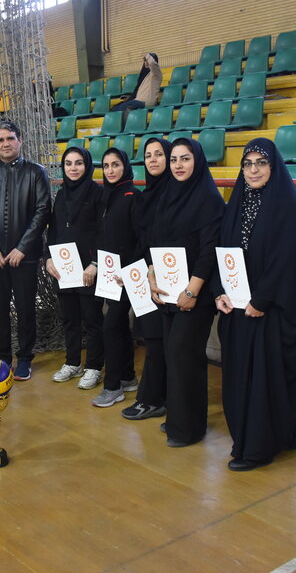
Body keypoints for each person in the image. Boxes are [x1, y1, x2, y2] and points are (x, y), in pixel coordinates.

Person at [214, 138, 296, 471]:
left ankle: (259, 447)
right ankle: (243, 440)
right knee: (239, 378)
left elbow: (287, 261)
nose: (253, 170)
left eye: (261, 163)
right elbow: (223, 253)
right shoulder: (237, 203)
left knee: (262, 382)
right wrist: (219, 292)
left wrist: (261, 300)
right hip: (237, 309)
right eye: (247, 164)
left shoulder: (287, 207)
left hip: (268, 312)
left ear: (273, 166)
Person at [147, 138, 225, 447]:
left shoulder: (209, 199)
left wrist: (191, 292)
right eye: (174, 159)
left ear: (198, 161)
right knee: (173, 354)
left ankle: (189, 428)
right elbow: (155, 240)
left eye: (185, 159)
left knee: (184, 355)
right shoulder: (168, 194)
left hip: (196, 295)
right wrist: (152, 274)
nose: (178, 165)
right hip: (168, 292)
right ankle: (178, 419)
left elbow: (209, 251)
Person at [0, 120, 51, 381]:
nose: (5, 143)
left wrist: (22, 248)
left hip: (24, 257)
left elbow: (42, 211)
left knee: (26, 309)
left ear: (20, 140)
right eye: (0, 140)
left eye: (10, 138)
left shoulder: (36, 172)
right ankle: (3, 358)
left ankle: (25, 358)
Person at [44, 145, 104, 386]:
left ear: (87, 165)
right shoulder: (61, 194)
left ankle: (94, 366)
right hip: (64, 269)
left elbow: (103, 231)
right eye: (68, 163)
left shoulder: (97, 193)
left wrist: (95, 263)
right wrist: (49, 257)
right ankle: (73, 362)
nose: (73, 168)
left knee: (92, 320)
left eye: (78, 163)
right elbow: (54, 230)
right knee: (69, 319)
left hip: (88, 269)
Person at [121, 138, 171, 421]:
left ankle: (151, 399)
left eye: (159, 154)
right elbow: (139, 239)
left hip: (167, 279)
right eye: (148, 155)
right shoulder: (145, 196)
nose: (153, 160)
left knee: (160, 341)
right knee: (152, 339)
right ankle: (154, 398)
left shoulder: (173, 194)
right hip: (144, 276)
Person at [92, 148, 145, 406]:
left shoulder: (134, 196)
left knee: (111, 326)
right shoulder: (105, 195)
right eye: (106, 165)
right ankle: (127, 376)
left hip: (128, 275)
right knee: (120, 325)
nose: (111, 170)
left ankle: (112, 387)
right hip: (109, 274)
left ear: (125, 166)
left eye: (116, 164)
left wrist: (131, 270)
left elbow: (141, 238)